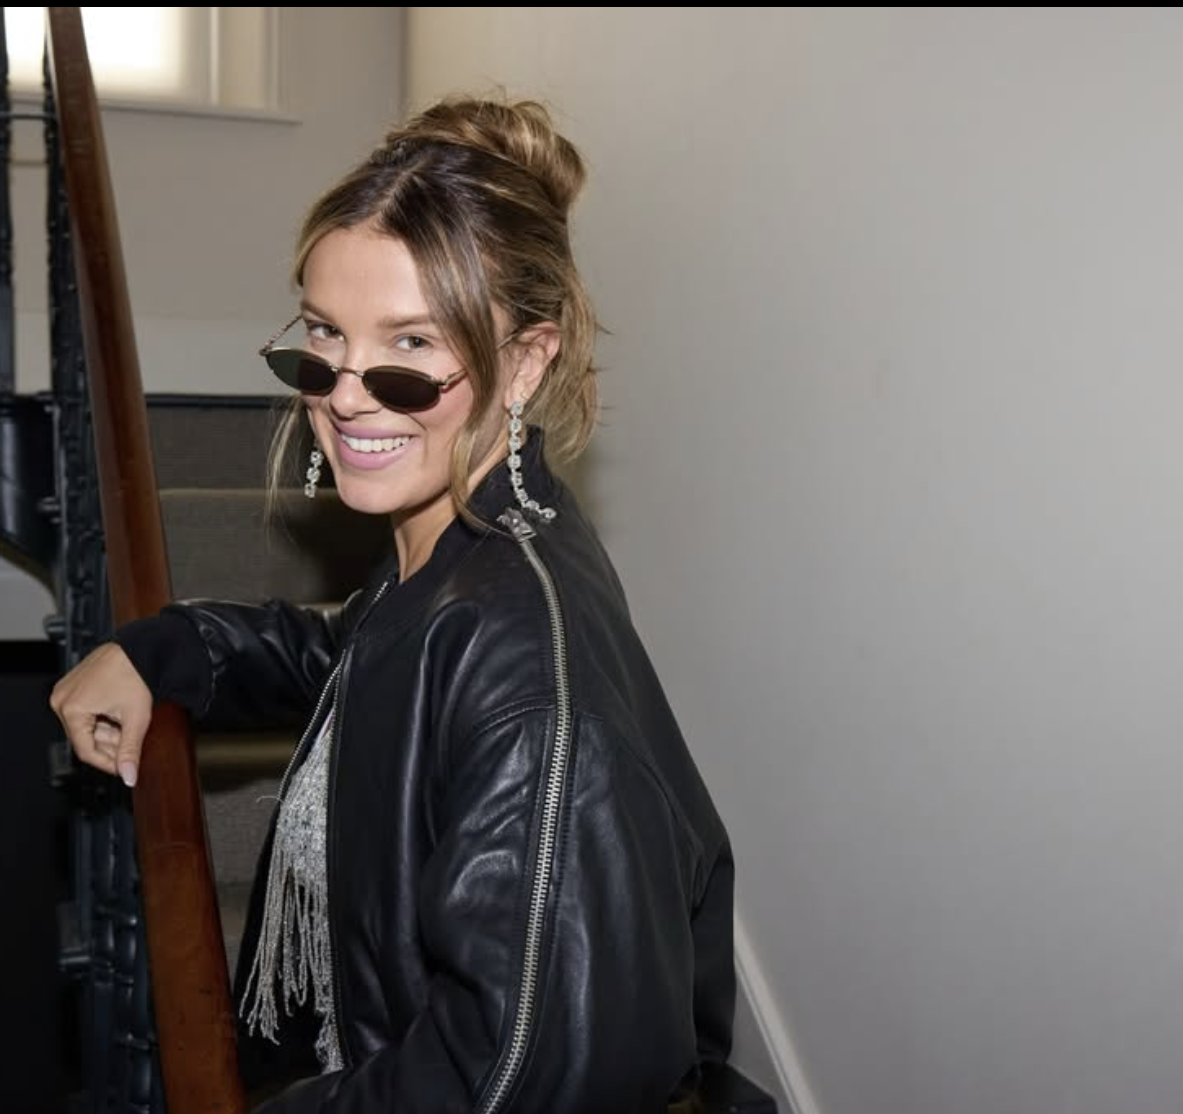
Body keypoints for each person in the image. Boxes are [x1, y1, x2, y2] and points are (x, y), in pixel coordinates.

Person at [50, 93, 735, 1112]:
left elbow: (505, 1077)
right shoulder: (456, 545)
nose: (344, 393)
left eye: (411, 348)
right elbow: (362, 658)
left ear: (525, 361)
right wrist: (166, 649)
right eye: (324, 335)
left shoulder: (526, 666)